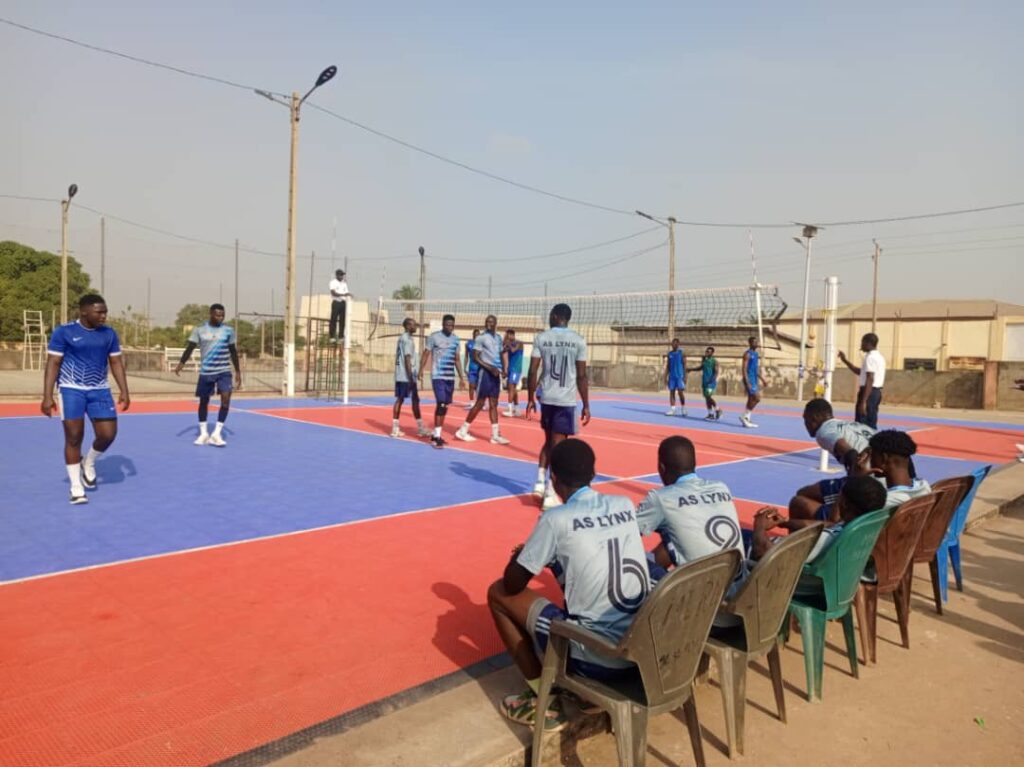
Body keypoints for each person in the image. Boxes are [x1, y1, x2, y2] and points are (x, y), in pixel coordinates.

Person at [487, 438, 651, 730]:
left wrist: (523, 556)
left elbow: (512, 584)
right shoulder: (624, 504)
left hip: (599, 658)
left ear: (554, 480)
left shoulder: (556, 519)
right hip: (638, 648)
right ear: (593, 473)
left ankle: (544, 699)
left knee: (497, 593)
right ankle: (579, 691)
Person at [41, 294, 131, 505]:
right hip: (71, 389)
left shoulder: (109, 334)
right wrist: (47, 396)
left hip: (100, 390)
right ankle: (76, 488)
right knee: (74, 437)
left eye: (105, 312)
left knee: (108, 434)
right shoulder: (64, 332)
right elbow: (53, 362)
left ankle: (88, 461)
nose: (104, 316)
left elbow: (116, 363)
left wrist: (124, 391)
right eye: (99, 312)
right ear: (84, 311)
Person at [636, 436, 746, 597]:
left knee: (627, 562)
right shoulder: (721, 488)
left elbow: (623, 532)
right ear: (695, 463)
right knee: (676, 532)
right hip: (737, 590)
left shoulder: (661, 498)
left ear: (661, 467)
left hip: (700, 597)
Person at [751, 476, 888, 595]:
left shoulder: (825, 539)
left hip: (796, 583)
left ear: (844, 503)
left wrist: (759, 525)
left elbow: (763, 553)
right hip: (835, 587)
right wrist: (784, 522)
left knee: (741, 543)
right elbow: (829, 524)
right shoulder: (862, 530)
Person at [527, 303, 590, 510]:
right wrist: (586, 404)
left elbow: (532, 371)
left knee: (549, 441)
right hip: (565, 400)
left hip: (546, 398)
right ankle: (551, 491)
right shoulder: (578, 340)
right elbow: (581, 376)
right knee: (559, 447)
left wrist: (530, 398)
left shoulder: (542, 338)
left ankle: (539, 482)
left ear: (555, 316)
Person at [787, 398, 877, 524]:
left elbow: (851, 454)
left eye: (805, 419)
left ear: (814, 417)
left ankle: (829, 529)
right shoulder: (853, 426)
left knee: (800, 498)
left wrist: (847, 493)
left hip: (869, 482)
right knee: (808, 492)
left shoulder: (824, 431)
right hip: (879, 478)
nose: (805, 424)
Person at [174, 304, 243, 446]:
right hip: (206, 371)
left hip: (224, 371)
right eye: (217, 315)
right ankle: (204, 433)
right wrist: (181, 363)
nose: (220, 317)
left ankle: (216, 434)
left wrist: (238, 371)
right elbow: (190, 347)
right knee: (204, 402)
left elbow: (233, 351)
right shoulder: (199, 330)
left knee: (226, 400)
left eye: (222, 315)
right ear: (211, 314)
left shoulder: (228, 331)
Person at [455, 315, 510, 444]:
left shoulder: (498, 338)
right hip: (485, 373)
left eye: (491, 322)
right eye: (487, 322)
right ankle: (463, 430)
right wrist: (490, 368)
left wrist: (504, 369)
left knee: (494, 404)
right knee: (480, 403)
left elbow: (501, 354)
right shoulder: (481, 338)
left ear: (495, 323)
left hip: (496, 374)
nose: (488, 324)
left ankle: (495, 435)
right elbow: (475, 357)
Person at [420, 314, 465, 449]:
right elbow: (426, 353)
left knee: (445, 406)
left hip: (450, 378)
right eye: (447, 324)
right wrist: (421, 369)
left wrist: (461, 377)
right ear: (443, 324)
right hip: (438, 376)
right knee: (441, 403)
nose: (449, 327)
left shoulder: (456, 340)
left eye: (452, 325)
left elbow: (457, 359)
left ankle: (436, 434)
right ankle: (437, 437)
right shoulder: (434, 337)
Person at [391, 318, 430, 439]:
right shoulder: (407, 339)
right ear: (408, 326)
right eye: (414, 325)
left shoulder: (403, 338)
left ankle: (420, 427)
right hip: (406, 376)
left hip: (404, 374)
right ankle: (395, 429)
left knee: (413, 400)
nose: (416, 326)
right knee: (402, 400)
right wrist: (410, 377)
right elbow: (407, 358)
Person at [838, 333, 886, 429]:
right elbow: (860, 372)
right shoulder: (879, 357)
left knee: (863, 424)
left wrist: (863, 401)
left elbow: (870, 378)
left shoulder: (870, 358)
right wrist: (845, 360)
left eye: (862, 342)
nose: (861, 345)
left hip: (868, 392)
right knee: (870, 422)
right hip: (875, 393)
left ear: (868, 343)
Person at [740, 336, 767, 428]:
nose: (756, 344)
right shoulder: (747, 354)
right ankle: (745, 416)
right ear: (750, 343)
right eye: (754, 342)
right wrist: (747, 382)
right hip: (749, 379)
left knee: (751, 399)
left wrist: (762, 379)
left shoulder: (756, 354)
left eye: (756, 342)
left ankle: (746, 418)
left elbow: (755, 369)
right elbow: (744, 369)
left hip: (754, 379)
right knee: (757, 398)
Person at [696, 345, 722, 421]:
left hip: (710, 383)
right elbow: (700, 368)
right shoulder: (705, 360)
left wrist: (711, 380)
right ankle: (710, 414)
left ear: (712, 353)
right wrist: (690, 369)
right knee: (707, 398)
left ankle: (718, 409)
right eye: (706, 351)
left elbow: (716, 372)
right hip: (704, 382)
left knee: (708, 397)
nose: (707, 353)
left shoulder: (714, 361)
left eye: (709, 352)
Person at [502, 329, 525, 417]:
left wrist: (507, 343)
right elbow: (503, 351)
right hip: (510, 369)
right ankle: (517, 409)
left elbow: (513, 350)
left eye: (508, 335)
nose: (507, 337)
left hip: (516, 369)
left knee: (511, 388)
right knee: (513, 389)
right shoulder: (508, 344)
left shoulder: (519, 343)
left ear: (512, 335)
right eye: (506, 335)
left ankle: (510, 410)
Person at [664, 338, 687, 417]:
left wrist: (685, 377)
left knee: (680, 393)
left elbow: (684, 366)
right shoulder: (669, 354)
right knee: (672, 392)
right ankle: (673, 409)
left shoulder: (682, 353)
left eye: (675, 343)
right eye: (672, 343)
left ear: (678, 344)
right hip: (672, 377)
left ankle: (683, 408)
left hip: (680, 376)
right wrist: (665, 376)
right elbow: (668, 366)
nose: (673, 345)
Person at [328, 269, 350, 343]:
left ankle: (341, 336)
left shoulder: (344, 283)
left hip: (343, 303)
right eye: (340, 275)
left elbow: (346, 293)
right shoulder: (333, 282)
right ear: (337, 275)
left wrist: (348, 295)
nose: (342, 276)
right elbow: (333, 293)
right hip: (336, 302)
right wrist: (343, 294)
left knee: (342, 320)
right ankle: (332, 336)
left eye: (342, 275)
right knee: (333, 319)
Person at [464, 329, 480, 408]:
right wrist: (465, 367)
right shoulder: (469, 344)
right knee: (471, 385)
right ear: (473, 335)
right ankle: (471, 403)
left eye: (478, 334)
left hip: (480, 368)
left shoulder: (482, 344)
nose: (477, 335)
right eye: (475, 334)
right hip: (471, 368)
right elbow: (466, 356)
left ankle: (480, 403)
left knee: (479, 387)